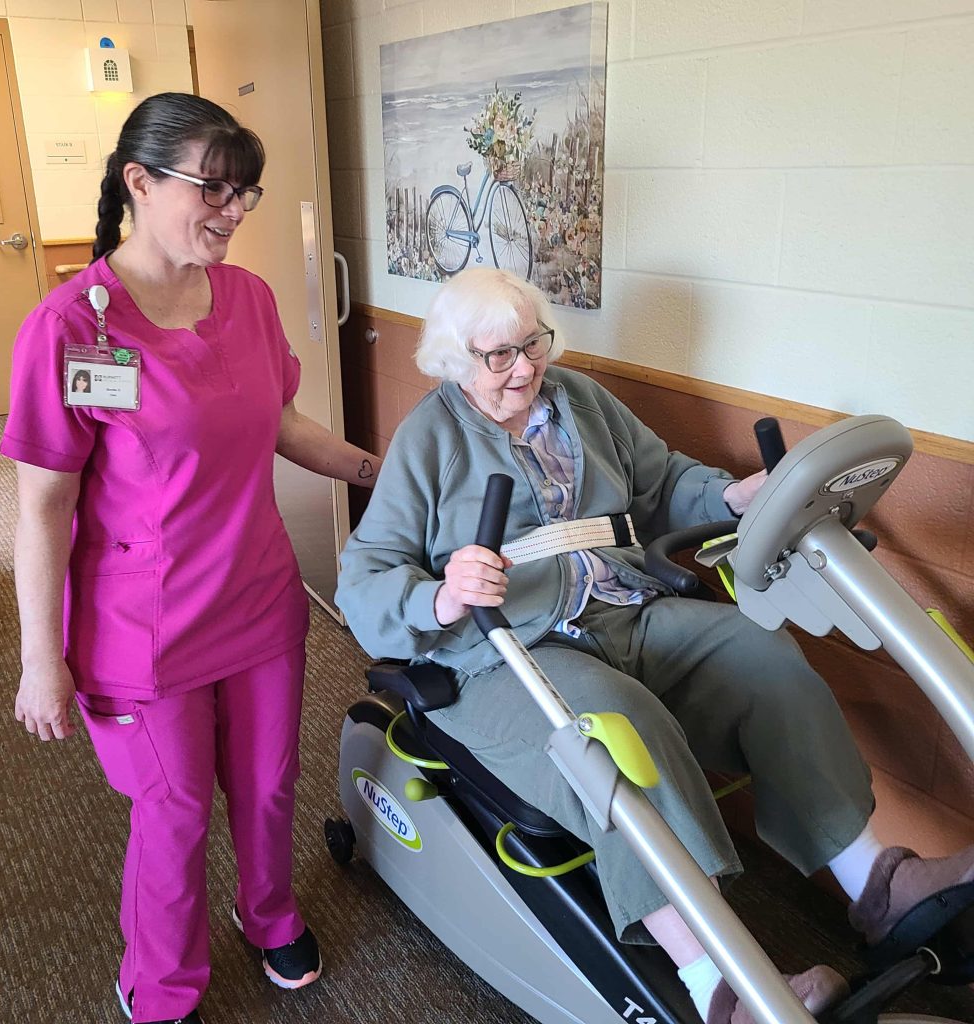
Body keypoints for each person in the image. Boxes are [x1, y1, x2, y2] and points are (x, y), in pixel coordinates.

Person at [335, 267, 974, 1024]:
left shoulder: (579, 403)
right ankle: (715, 983)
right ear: (454, 360)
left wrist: (736, 497)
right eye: (497, 356)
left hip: (622, 607)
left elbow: (661, 478)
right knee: (616, 728)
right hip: (502, 649)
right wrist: (440, 595)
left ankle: (877, 883)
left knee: (763, 659)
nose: (524, 368)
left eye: (532, 344)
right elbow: (364, 575)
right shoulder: (431, 437)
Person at [3, 93, 382, 1024]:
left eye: (245, 193)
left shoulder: (247, 297)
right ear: (140, 181)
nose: (235, 210)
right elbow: (43, 508)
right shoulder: (72, 329)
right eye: (214, 188)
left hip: (258, 603)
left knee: (265, 785)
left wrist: (378, 471)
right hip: (144, 632)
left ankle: (270, 913)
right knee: (170, 819)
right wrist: (38, 661)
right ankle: (161, 982)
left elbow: (283, 423)